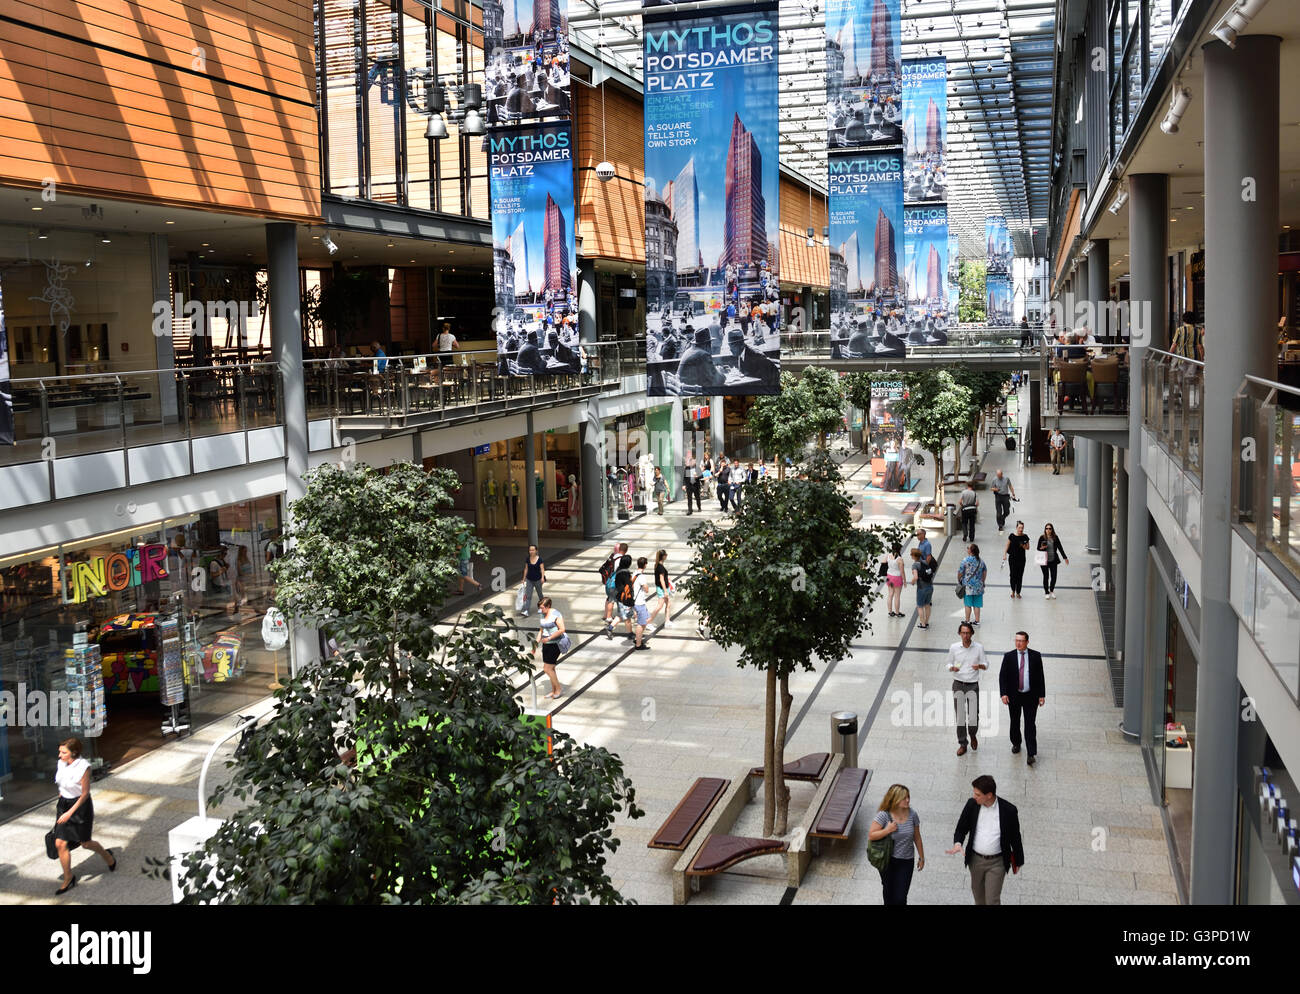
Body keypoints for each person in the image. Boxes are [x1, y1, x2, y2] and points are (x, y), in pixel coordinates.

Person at [945, 774, 1025, 906]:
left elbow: (1015, 837)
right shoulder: (972, 805)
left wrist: (1019, 860)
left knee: (992, 899)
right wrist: (958, 843)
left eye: (978, 794)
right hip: (975, 861)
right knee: (979, 898)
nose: (974, 797)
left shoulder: (1008, 810)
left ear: (989, 795)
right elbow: (961, 827)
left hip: (997, 863)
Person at [52, 737, 116, 895]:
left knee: (85, 843)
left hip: (80, 807)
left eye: (63, 752)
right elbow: (61, 780)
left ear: (73, 752)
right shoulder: (61, 763)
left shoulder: (84, 767)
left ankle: (107, 856)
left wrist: (69, 813)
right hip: (64, 804)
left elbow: (85, 794)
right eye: (60, 751)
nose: (60, 755)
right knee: (60, 843)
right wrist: (62, 795)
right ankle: (69, 878)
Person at [868, 784, 924, 906]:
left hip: (906, 861)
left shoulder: (912, 815)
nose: (908, 800)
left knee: (901, 897)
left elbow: (917, 837)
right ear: (894, 799)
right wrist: (887, 830)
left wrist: (921, 857)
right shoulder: (884, 815)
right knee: (888, 892)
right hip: (887, 860)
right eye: (904, 798)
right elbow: (871, 835)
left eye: (908, 797)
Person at [999, 631, 1046, 766]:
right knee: (1014, 721)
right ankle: (1016, 743)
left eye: (1021, 641)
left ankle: (1031, 753)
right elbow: (1002, 676)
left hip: (1031, 695)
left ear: (1027, 642)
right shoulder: (1009, 656)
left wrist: (1042, 695)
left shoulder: (1036, 656)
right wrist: (1003, 694)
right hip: (1014, 695)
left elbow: (1040, 676)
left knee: (1030, 724)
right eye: (1016, 640)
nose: (1018, 643)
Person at [944, 621, 989, 756]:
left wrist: (979, 666)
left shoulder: (978, 648)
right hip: (958, 683)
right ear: (959, 634)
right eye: (963, 633)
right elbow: (948, 663)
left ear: (972, 633)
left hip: (972, 684)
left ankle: (973, 734)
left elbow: (986, 664)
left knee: (973, 716)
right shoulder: (954, 647)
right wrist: (951, 668)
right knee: (960, 716)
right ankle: (963, 743)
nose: (965, 635)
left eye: (967, 633)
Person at [534, 597, 567, 699]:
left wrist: (549, 638)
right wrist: (535, 643)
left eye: (542, 608)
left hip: (555, 644)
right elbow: (541, 630)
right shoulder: (542, 614)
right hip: (546, 644)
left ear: (548, 606)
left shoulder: (556, 615)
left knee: (547, 669)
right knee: (551, 668)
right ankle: (554, 691)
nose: (540, 610)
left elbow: (562, 629)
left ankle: (558, 689)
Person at [603, 543, 631, 636]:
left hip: (609, 581)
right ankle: (609, 618)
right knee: (612, 600)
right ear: (625, 551)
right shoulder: (620, 559)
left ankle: (607, 616)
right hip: (615, 584)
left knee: (609, 599)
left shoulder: (613, 556)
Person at [957, 543, 987, 626]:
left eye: (968, 548)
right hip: (978, 586)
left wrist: (959, 580)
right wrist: (983, 581)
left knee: (968, 604)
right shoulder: (981, 561)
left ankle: (967, 621)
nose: (967, 549)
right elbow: (985, 571)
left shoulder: (965, 560)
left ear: (970, 551)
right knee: (977, 604)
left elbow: (960, 571)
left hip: (968, 586)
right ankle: (977, 621)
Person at [1037, 523, 1068, 598]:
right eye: (1046, 528)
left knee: (1054, 576)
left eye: (1049, 528)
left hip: (1053, 559)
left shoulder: (1055, 537)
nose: (1048, 530)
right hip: (1044, 560)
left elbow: (1060, 548)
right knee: (1046, 576)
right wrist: (1042, 548)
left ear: (1052, 529)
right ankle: (1046, 592)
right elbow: (1038, 548)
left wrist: (1065, 557)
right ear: (1045, 529)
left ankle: (1051, 590)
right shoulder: (1042, 537)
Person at [631, 556, 654, 650]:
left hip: (636, 601)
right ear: (645, 565)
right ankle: (638, 644)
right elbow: (647, 589)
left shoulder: (634, 573)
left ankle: (638, 638)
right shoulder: (641, 576)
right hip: (639, 602)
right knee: (641, 623)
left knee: (646, 620)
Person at [1002, 521, 1030, 598]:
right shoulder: (1012, 536)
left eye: (1022, 528)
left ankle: (1018, 592)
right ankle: (1013, 591)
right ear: (1016, 527)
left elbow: (1028, 548)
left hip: (1021, 559)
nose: (1021, 529)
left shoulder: (1025, 537)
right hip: (1012, 559)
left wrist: (1023, 546)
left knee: (1020, 576)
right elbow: (1007, 545)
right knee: (1012, 575)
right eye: (1019, 527)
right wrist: (1004, 554)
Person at [648, 549, 674, 628]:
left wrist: (667, 579)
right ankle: (648, 621)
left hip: (663, 588)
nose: (667, 556)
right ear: (663, 556)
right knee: (660, 606)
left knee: (668, 604)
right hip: (662, 589)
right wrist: (665, 591)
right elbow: (661, 579)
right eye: (666, 555)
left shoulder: (658, 565)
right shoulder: (660, 567)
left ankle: (667, 621)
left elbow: (662, 578)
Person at [910, 547, 934, 629]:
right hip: (930, 587)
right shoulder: (925, 562)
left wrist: (912, 582)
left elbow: (916, 577)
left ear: (913, 556)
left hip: (921, 588)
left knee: (920, 606)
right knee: (927, 605)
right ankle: (926, 622)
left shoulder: (915, 565)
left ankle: (922, 624)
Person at [520, 544, 545, 616]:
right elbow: (526, 569)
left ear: (536, 551)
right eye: (530, 550)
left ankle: (543, 607)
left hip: (538, 580)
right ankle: (526, 611)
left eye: (533, 550)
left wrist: (542, 577)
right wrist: (523, 579)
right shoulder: (528, 559)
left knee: (540, 594)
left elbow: (542, 569)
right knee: (528, 595)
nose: (531, 551)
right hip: (529, 580)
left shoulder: (540, 559)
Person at [456, 527, 481, 595]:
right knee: (461, 574)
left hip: (462, 557)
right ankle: (460, 590)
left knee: (463, 574)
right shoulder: (466, 534)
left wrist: (454, 554)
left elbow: (459, 548)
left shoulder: (460, 536)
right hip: (466, 556)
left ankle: (478, 584)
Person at [884, 543, 905, 618]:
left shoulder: (888, 555)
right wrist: (904, 581)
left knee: (890, 594)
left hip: (889, 576)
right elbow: (902, 572)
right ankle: (897, 612)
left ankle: (890, 612)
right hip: (897, 578)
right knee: (897, 596)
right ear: (899, 549)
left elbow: (883, 562)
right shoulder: (899, 559)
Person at [683, 449, 702, 514]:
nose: (692, 463)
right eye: (691, 462)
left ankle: (699, 507)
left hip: (696, 485)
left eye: (693, 462)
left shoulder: (697, 468)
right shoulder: (687, 468)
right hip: (689, 485)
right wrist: (683, 485)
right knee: (689, 499)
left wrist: (698, 476)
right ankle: (690, 510)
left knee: (697, 497)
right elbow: (684, 477)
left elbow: (701, 476)